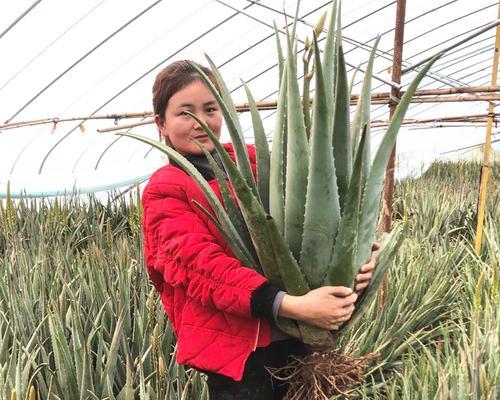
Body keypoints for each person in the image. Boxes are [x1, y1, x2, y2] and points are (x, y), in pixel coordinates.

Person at [141, 60, 378, 400]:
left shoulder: (255, 161)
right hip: (241, 360)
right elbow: (201, 268)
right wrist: (292, 305)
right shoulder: (166, 188)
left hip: (299, 342)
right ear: (161, 123)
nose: (200, 121)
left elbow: (316, 217)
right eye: (184, 112)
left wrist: (359, 255)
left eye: (210, 108)